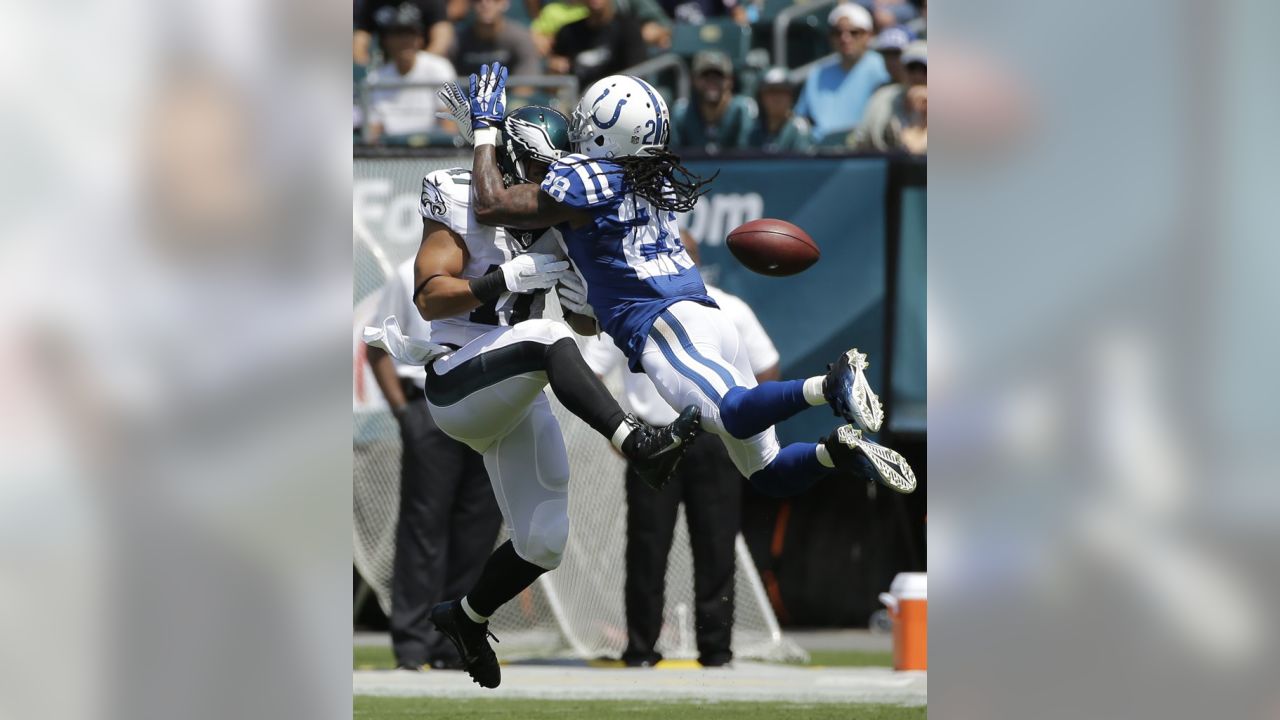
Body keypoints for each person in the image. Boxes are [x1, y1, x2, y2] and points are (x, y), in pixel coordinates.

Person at [450, 62, 917, 684]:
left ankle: (827, 385)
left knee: (725, 413)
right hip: (703, 314)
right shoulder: (645, 179)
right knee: (772, 474)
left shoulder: (591, 175)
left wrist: (485, 131)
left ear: (605, 132)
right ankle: (838, 451)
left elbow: (491, 203)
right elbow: (588, 291)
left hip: (666, 323)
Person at [367, 101, 702, 689]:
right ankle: (636, 441)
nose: (547, 183)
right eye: (538, 169)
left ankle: (466, 619)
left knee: (544, 543)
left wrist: (583, 299)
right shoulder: (456, 192)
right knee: (541, 338)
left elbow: (585, 328)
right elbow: (429, 297)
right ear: (512, 158)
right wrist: (500, 280)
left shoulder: (558, 214)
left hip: (511, 390)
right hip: (457, 378)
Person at [583, 233, 780, 669]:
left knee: (716, 544)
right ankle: (640, 648)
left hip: (716, 440)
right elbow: (590, 371)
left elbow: (767, 368)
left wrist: (746, 427)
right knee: (646, 547)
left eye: (682, 254)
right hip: (654, 437)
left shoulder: (729, 307)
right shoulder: (631, 305)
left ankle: (716, 649)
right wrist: (620, 431)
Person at [365, 259, 502, 671]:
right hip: (428, 402)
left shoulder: (502, 261)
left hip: (489, 405)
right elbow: (376, 346)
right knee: (423, 528)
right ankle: (412, 644)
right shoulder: (410, 272)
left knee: (478, 531)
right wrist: (405, 415)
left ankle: (456, 642)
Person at [363, 4, 457, 144]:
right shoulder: (375, 79)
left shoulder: (439, 68)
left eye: (410, 34)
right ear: (386, 41)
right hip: (389, 154)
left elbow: (450, 124)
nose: (404, 41)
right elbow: (373, 130)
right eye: (398, 34)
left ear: (419, 39)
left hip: (434, 150)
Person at [794, 3, 889, 140]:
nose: (845, 38)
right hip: (822, 154)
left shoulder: (882, 67)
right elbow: (801, 118)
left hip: (868, 152)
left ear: (868, 35)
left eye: (854, 32)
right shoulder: (818, 73)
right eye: (837, 33)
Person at [669, 51, 758, 152]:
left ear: (730, 81)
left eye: (718, 76)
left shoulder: (742, 110)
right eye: (705, 75)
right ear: (694, 80)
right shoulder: (682, 113)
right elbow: (674, 157)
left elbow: (747, 159)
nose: (712, 81)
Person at [548, 0, 648, 89]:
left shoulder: (628, 28)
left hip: (617, 100)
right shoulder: (568, 32)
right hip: (577, 102)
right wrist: (555, 69)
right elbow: (551, 83)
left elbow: (637, 75)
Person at [854, 41, 925, 152]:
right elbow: (861, 142)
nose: (917, 75)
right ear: (902, 70)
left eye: (924, 69)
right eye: (912, 68)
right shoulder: (882, 98)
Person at [451, 0, 541, 78]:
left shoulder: (521, 37)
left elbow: (526, 84)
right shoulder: (457, 39)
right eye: (477, 0)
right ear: (470, 3)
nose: (485, 3)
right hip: (465, 97)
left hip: (509, 97)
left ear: (505, 2)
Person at [355, 0, 453, 64]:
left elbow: (442, 38)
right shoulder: (372, 3)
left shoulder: (430, 2)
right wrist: (365, 65)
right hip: (387, 69)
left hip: (425, 72)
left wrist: (418, 68)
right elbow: (360, 38)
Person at [746, 67, 813, 152]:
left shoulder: (799, 130)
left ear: (792, 96)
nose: (776, 98)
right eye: (771, 91)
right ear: (761, 97)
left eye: (782, 91)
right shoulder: (754, 133)